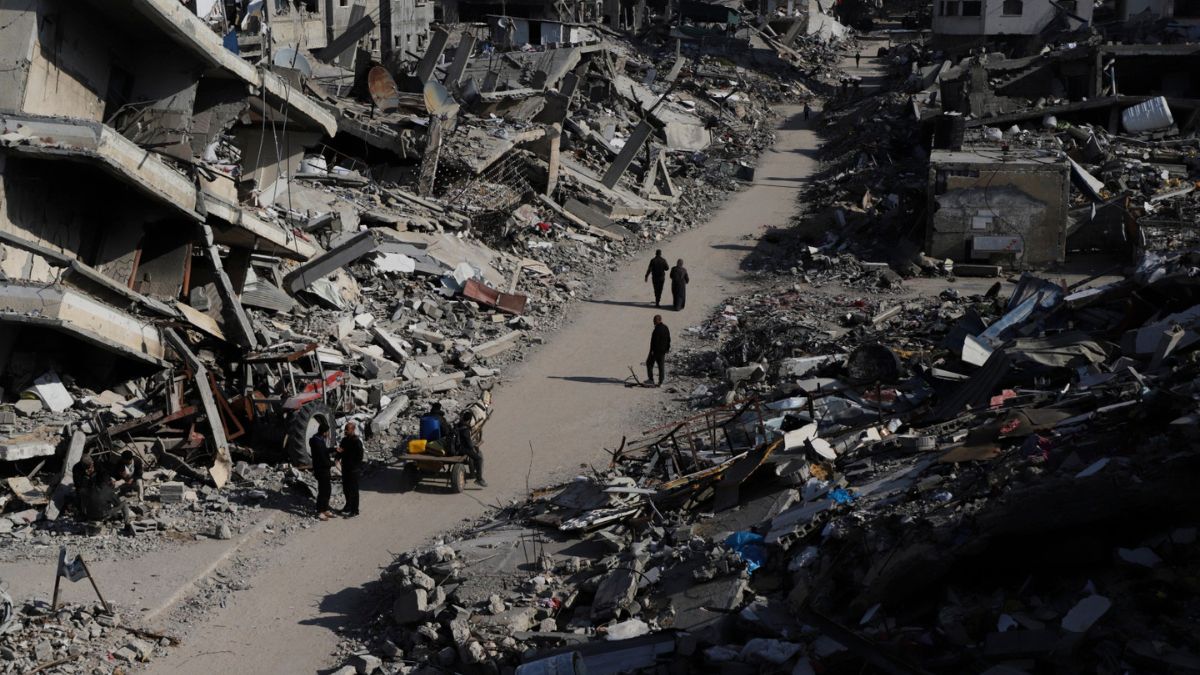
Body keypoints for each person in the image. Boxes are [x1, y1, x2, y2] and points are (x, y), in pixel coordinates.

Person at [72, 457, 129, 524]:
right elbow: (117, 503)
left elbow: (103, 473)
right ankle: (127, 523)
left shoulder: (97, 465)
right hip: (103, 514)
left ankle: (83, 515)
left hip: (88, 514)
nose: (92, 467)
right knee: (122, 503)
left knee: (86, 497)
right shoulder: (77, 469)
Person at [336, 422, 364, 518]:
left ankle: (354, 510)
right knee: (346, 489)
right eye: (345, 429)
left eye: (347, 429)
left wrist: (355, 467)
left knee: (354, 490)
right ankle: (348, 506)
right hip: (345, 469)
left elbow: (360, 456)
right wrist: (337, 458)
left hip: (353, 470)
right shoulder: (344, 440)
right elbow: (340, 450)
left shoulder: (357, 442)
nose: (345, 431)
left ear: (353, 430)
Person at [453, 416, 487, 487]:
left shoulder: (456, 426)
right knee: (478, 459)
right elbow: (469, 444)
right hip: (461, 449)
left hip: (454, 447)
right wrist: (473, 447)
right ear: (468, 420)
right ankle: (479, 479)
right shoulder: (465, 429)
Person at [310, 420, 334, 520]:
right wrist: (331, 464)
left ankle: (325, 508)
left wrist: (333, 449)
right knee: (323, 491)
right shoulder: (317, 442)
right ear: (324, 432)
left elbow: (325, 451)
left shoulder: (319, 439)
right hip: (321, 469)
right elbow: (322, 457)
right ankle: (320, 511)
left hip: (324, 469)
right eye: (327, 432)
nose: (328, 434)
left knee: (327, 489)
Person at [646, 315, 671, 387]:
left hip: (656, 351)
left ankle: (651, 380)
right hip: (663, 351)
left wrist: (652, 351)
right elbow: (669, 339)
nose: (653, 321)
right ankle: (661, 382)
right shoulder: (665, 327)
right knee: (661, 366)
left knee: (649, 364)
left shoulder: (657, 329)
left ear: (658, 320)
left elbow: (655, 342)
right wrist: (667, 349)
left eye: (654, 320)